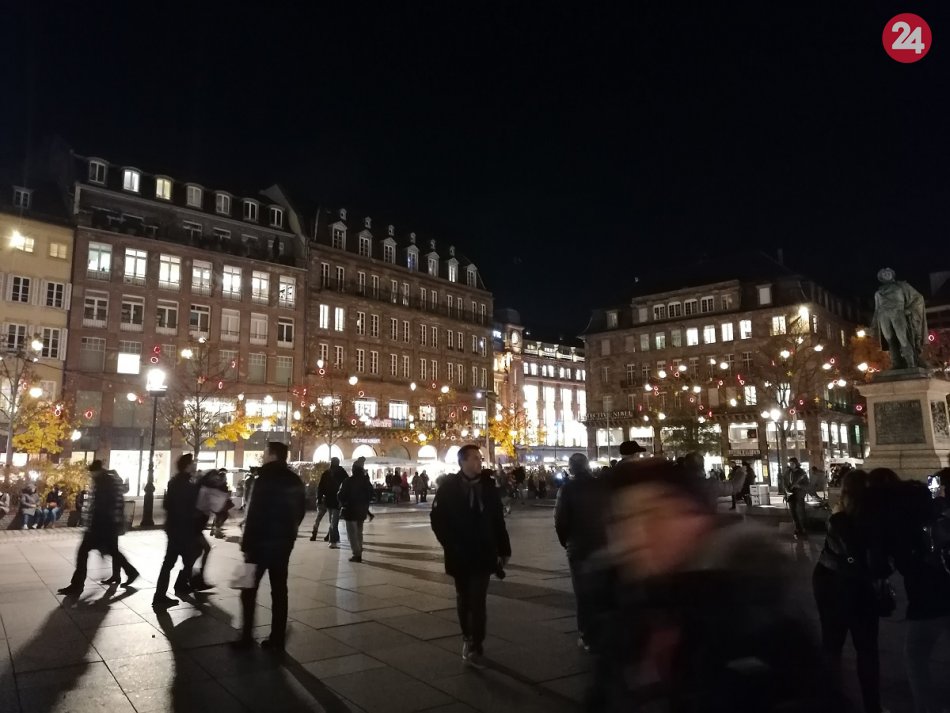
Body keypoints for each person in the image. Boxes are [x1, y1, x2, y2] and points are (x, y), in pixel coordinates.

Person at [592, 457, 843, 712]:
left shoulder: (760, 626)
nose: (638, 532)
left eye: (655, 514)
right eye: (624, 518)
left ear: (697, 518)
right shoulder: (627, 625)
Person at [812, 469, 888, 713]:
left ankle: (830, 702)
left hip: (830, 582)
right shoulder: (873, 516)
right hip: (859, 587)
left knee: (832, 645)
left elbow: (847, 549)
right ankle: (872, 706)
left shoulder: (841, 516)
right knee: (866, 650)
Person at [430, 444, 511, 668]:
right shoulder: (448, 488)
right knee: (464, 598)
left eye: (480, 458)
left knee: (478, 599)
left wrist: (504, 549)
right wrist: (449, 544)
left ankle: (476, 645)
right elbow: (437, 520)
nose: (479, 462)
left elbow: (498, 520)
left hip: (483, 552)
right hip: (459, 553)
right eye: (475, 458)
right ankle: (467, 636)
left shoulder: (488, 487)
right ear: (462, 461)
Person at [232, 441, 305, 652]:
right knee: (279, 590)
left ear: (272, 455)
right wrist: (289, 533)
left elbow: (253, 513)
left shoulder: (262, 479)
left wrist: (246, 544)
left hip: (258, 544)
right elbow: (299, 512)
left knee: (247, 589)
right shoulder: (294, 480)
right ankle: (277, 638)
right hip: (283, 544)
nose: (263, 456)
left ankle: (246, 636)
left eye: (265, 453)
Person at [58, 461, 139, 594]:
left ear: (96, 471)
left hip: (102, 526)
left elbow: (102, 506)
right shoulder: (106, 480)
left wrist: (94, 526)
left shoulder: (104, 482)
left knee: (83, 552)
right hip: (106, 525)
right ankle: (131, 572)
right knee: (112, 551)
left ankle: (77, 585)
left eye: (92, 472)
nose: (91, 475)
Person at [554, 453, 608, 652]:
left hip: (578, 546)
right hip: (601, 544)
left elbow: (560, 520)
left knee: (583, 593)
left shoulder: (567, 489)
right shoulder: (601, 486)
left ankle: (586, 635)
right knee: (600, 590)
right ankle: (603, 631)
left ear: (571, 467)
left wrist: (566, 542)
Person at [154, 454, 201, 607]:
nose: (194, 465)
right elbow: (192, 506)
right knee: (190, 556)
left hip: (174, 528)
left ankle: (161, 595)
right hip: (183, 530)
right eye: (192, 463)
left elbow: (166, 504)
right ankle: (178, 585)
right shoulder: (188, 485)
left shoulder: (174, 482)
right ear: (187, 466)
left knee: (170, 562)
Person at [338, 456, 374, 562]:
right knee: (359, 532)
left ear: (353, 470)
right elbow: (371, 494)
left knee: (352, 534)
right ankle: (359, 550)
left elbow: (341, 495)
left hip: (350, 510)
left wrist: (343, 502)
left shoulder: (348, 481)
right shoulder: (366, 481)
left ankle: (356, 554)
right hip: (362, 510)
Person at [317, 457, 347, 548]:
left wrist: (319, 499)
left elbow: (320, 487)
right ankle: (335, 538)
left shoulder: (327, 473)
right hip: (336, 501)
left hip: (331, 500)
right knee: (333, 521)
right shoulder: (342, 473)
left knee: (333, 521)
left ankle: (333, 540)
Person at [785, 457, 809, 539]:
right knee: (793, 512)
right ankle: (797, 528)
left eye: (792, 463)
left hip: (799, 494)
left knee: (801, 512)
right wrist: (786, 490)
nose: (791, 465)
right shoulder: (788, 472)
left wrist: (798, 485)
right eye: (790, 463)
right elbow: (784, 482)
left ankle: (803, 528)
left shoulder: (802, 472)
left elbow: (807, 484)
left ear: (796, 464)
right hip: (790, 494)